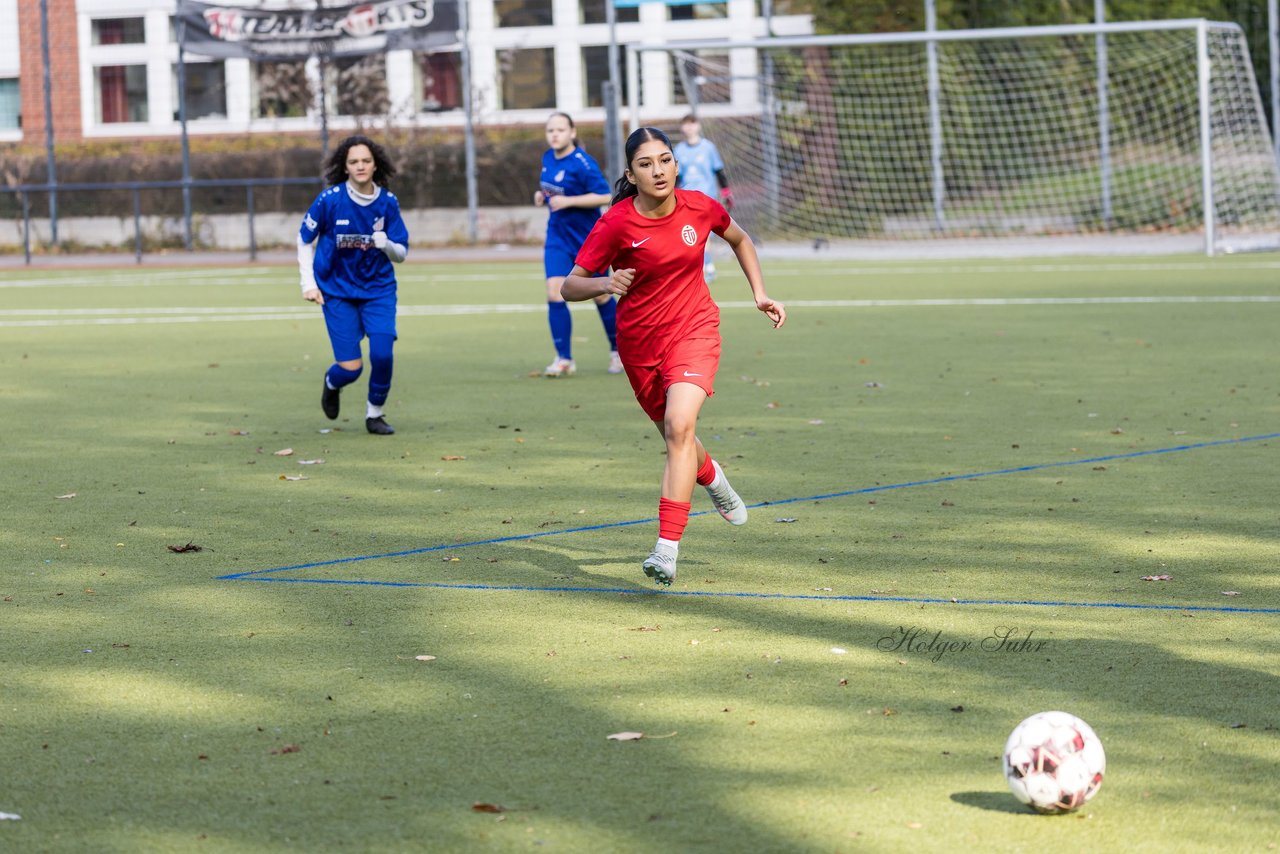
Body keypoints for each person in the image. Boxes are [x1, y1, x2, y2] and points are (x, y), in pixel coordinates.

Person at [560, 127, 786, 586]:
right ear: (631, 173)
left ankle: (666, 549)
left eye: (665, 160)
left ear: (676, 165)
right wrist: (605, 283)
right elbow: (570, 285)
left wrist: (760, 293)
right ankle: (713, 477)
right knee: (677, 436)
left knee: (680, 427)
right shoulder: (617, 222)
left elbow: (740, 239)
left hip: (694, 331)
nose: (658, 170)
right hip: (639, 345)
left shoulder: (700, 207)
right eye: (646, 164)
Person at [298, 134, 409, 435]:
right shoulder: (330, 200)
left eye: (366, 161)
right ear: (345, 167)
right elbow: (304, 239)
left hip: (378, 290)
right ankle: (331, 383)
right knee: (351, 368)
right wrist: (308, 283)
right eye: (353, 161)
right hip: (337, 291)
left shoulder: (387, 203)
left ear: (375, 165)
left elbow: (401, 253)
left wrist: (385, 244)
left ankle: (375, 413)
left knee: (383, 354)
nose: (360, 166)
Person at [534, 112, 621, 377]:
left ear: (572, 132)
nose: (555, 135)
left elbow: (605, 194)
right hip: (558, 237)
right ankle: (564, 359)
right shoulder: (548, 157)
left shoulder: (583, 163)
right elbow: (552, 190)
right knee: (554, 291)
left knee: (602, 295)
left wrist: (569, 201)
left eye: (560, 130)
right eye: (551, 130)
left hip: (588, 240)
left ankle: (618, 352)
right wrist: (542, 195)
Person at [672, 113, 734, 283]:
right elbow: (676, 178)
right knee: (690, 235)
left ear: (698, 126)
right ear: (682, 128)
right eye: (686, 124)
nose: (690, 127)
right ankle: (706, 267)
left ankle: (707, 267)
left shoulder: (708, 148)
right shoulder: (678, 150)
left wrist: (726, 192)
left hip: (707, 199)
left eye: (692, 124)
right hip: (686, 199)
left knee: (703, 235)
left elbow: (718, 171)